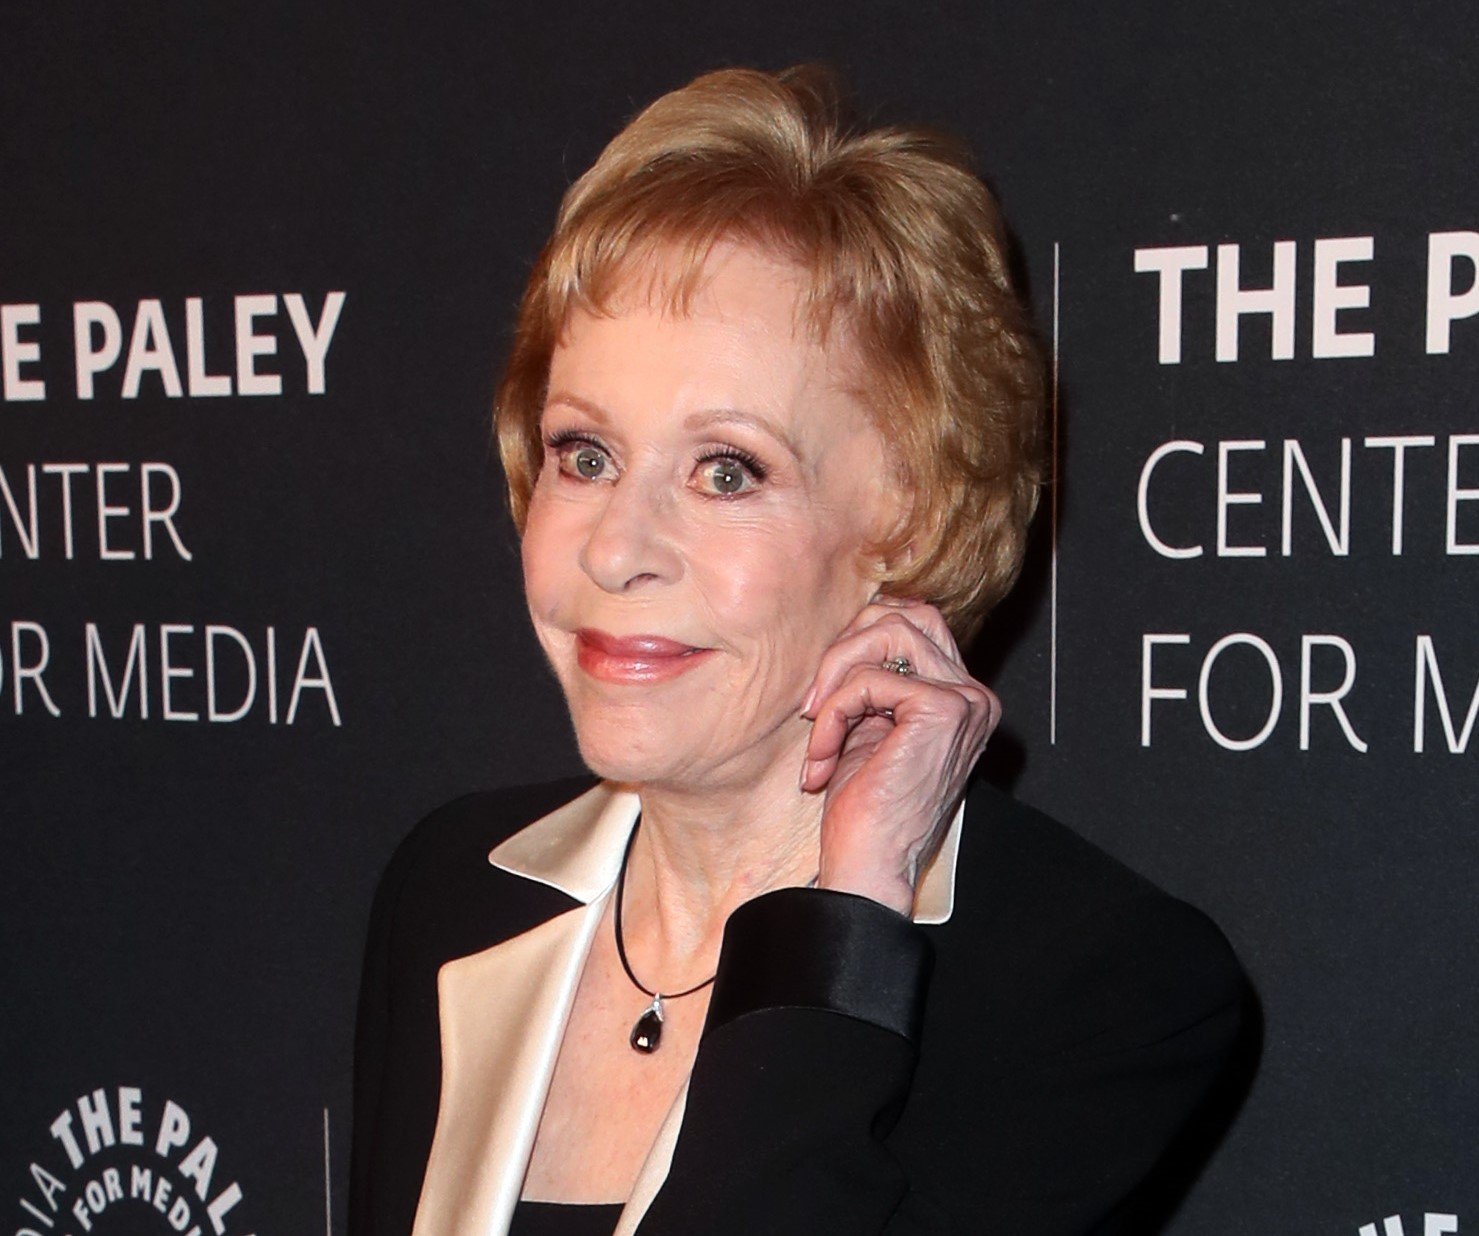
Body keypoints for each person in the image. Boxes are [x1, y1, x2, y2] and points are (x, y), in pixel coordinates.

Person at [349, 65, 1249, 1236]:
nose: (617, 549)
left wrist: (851, 911)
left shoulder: (1092, 984)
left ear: (913, 523)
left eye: (729, 471)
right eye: (584, 454)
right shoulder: (453, 889)